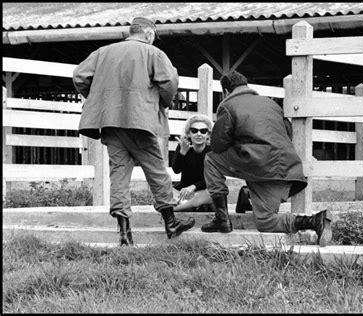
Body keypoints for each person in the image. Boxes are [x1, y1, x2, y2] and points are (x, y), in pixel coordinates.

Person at [72, 16, 195, 246]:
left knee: (118, 175)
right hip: (139, 121)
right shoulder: (153, 54)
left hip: (110, 123)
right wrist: (160, 103)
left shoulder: (102, 52)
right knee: (156, 170)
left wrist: (101, 99)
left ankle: (124, 235)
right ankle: (171, 224)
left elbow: (79, 77)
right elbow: (169, 82)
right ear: (148, 34)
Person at [200, 71, 332, 247]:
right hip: (286, 169)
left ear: (225, 91)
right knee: (265, 222)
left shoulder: (228, 106)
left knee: (210, 159)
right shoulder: (272, 104)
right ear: (246, 85)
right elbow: (288, 133)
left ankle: (221, 219)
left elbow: (218, 146)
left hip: (260, 167)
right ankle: (315, 221)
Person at [171, 114, 214, 212]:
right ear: (189, 133)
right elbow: (176, 170)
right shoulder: (183, 146)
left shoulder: (212, 151)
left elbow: (212, 179)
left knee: (214, 193)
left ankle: (175, 208)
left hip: (203, 191)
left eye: (203, 131)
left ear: (208, 134)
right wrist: (182, 153)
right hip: (184, 191)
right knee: (163, 187)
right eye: (194, 131)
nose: (199, 134)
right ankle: (192, 204)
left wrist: (193, 187)